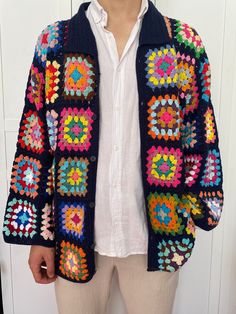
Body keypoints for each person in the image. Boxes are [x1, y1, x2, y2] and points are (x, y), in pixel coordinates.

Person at [2, 0, 224, 313]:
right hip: (73, 238)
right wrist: (41, 233)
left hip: (156, 239)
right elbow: (35, 139)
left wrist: (188, 208)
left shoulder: (183, 43)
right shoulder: (55, 42)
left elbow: (200, 132)